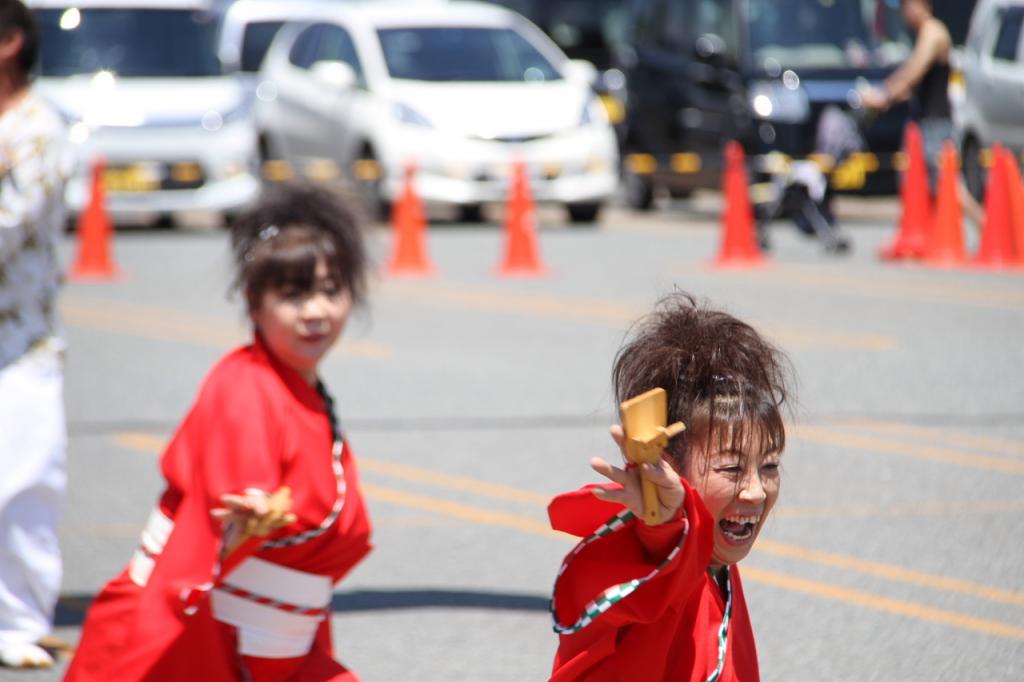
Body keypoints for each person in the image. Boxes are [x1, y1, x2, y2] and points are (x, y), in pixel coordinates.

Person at [65, 182, 373, 681]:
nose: (316, 311)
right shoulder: (244, 385)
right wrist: (249, 511)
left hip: (267, 643)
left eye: (330, 291)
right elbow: (237, 486)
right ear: (254, 302)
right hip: (194, 639)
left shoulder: (300, 387)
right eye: (293, 295)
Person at [548, 292, 793, 681]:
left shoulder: (716, 562)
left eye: (769, 466)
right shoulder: (654, 561)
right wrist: (663, 523)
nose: (756, 491)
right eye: (731, 468)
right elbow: (663, 557)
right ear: (669, 466)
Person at [0, 0, 72, 669]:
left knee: (23, 487)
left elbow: (7, 224)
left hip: (19, 343)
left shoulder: (38, 130)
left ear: (10, 43)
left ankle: (19, 623)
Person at [861, 0, 983, 224]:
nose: (905, 13)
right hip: (926, 122)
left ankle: (986, 229)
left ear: (922, 5)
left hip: (937, 123)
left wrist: (883, 95)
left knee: (948, 186)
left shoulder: (933, 32)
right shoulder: (922, 33)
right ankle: (929, 235)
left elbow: (913, 71)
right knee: (922, 184)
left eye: (908, 5)